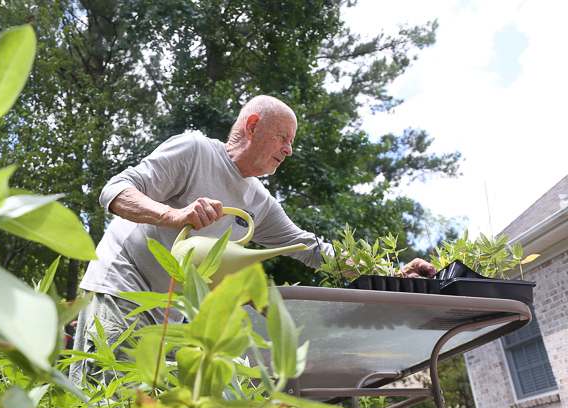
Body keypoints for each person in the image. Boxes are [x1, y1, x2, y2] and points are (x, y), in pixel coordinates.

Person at [69, 95, 434, 385]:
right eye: (283, 137)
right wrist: (175, 215)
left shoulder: (259, 202)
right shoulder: (195, 151)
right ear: (254, 125)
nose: (290, 150)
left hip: (168, 315)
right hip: (120, 287)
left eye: (291, 142)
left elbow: (313, 251)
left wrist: (392, 274)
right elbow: (115, 191)